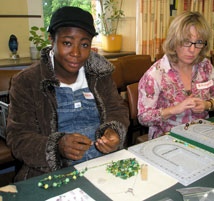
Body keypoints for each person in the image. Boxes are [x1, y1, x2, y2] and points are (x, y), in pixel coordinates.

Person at [6, 6, 129, 181]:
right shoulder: (27, 82)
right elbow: (18, 138)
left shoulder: (100, 76)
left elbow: (117, 109)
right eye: (67, 43)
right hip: (51, 173)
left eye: (84, 44)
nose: (76, 53)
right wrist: (58, 147)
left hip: (103, 166)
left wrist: (114, 131)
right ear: (51, 40)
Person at [138, 11, 214, 139]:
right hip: (168, 138)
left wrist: (208, 105)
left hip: (202, 134)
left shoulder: (205, 66)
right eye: (186, 42)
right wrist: (174, 109)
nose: (192, 49)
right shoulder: (155, 74)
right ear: (174, 41)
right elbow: (143, 117)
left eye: (199, 42)